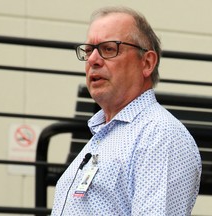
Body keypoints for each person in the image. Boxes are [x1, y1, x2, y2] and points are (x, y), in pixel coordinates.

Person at [51, 6, 202, 216]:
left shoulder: (160, 135)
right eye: (88, 50)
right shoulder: (104, 134)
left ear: (147, 63)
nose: (93, 60)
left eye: (109, 49)